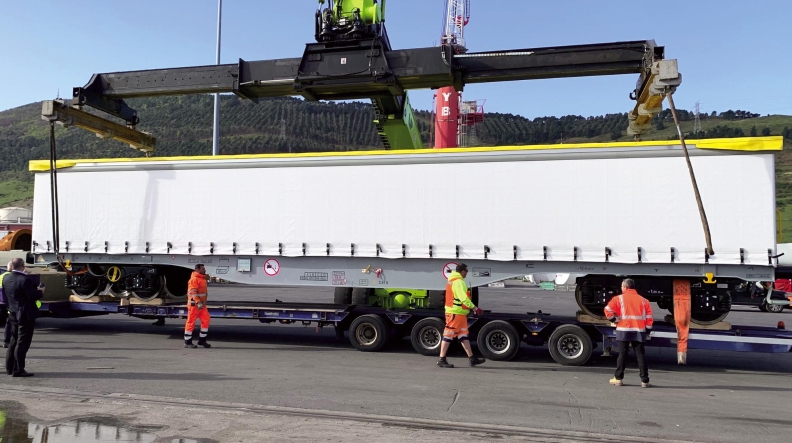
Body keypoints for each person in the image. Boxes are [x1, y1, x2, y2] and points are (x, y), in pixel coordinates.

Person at [604, 278, 653, 387]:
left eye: (622, 286)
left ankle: (618, 378)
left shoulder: (618, 299)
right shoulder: (644, 301)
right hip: (639, 330)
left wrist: (613, 320)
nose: (621, 288)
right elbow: (649, 318)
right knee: (640, 355)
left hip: (623, 329)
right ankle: (645, 380)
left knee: (622, 354)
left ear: (625, 287)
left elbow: (607, 309)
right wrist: (648, 330)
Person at [437, 263, 486, 368]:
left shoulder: (455, 281)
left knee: (463, 336)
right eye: (466, 271)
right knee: (448, 335)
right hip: (455, 313)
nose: (467, 274)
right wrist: (475, 308)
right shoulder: (458, 282)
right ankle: (441, 359)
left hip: (459, 313)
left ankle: (472, 358)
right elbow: (463, 298)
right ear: (463, 271)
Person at [2, 258, 44, 377]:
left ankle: (9, 367)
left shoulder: (6, 277)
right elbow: (32, 296)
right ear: (23, 266)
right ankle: (18, 369)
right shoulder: (25, 280)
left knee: (13, 340)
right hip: (25, 314)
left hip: (13, 313)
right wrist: (41, 291)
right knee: (22, 342)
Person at [184, 264, 211, 348]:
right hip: (194, 305)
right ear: (198, 270)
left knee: (206, 320)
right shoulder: (194, 279)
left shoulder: (201, 278)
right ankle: (187, 342)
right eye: (203, 269)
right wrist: (198, 302)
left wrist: (205, 277)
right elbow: (193, 292)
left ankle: (202, 341)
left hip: (201, 305)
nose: (204, 270)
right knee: (191, 322)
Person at [0, 262, 11, 348]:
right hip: (8, 302)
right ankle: (7, 341)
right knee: (9, 322)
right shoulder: (11, 277)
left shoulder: (2, 276)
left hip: (1, 302)